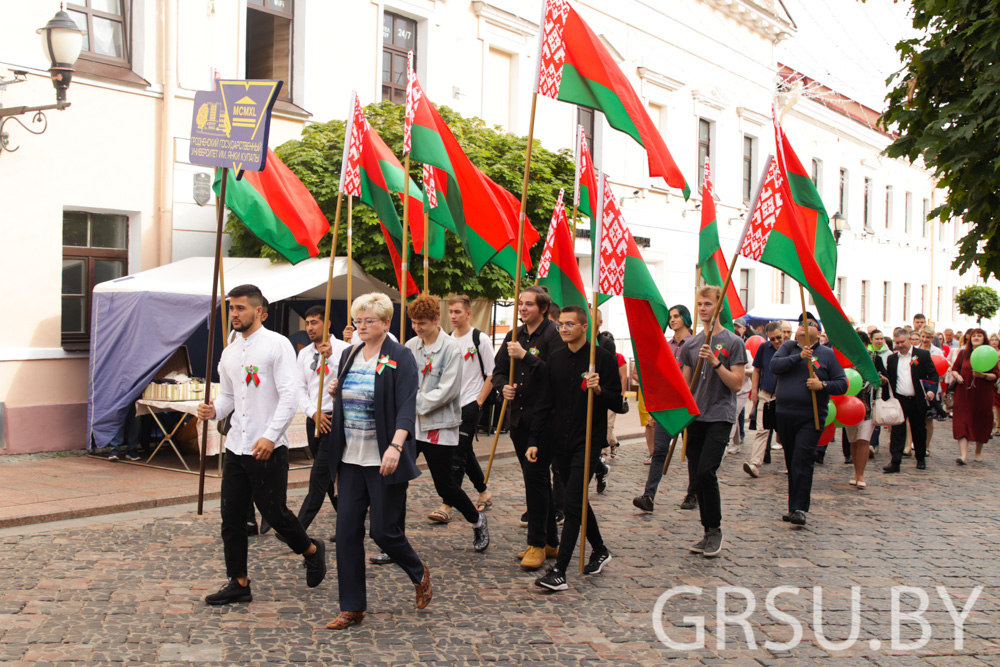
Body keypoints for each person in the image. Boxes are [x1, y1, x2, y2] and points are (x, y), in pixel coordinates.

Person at [196, 284, 327, 606]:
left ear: (260, 312)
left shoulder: (276, 345)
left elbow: (290, 394)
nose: (234, 314)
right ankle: (238, 582)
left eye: (240, 308)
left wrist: (271, 435)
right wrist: (214, 410)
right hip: (237, 446)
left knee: (276, 514)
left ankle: (311, 549)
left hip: (268, 446)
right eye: (231, 308)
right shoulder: (229, 351)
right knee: (232, 518)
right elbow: (228, 396)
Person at [323, 292, 430, 630]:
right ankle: (352, 607)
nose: (362, 326)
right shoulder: (349, 354)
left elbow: (405, 406)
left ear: (386, 323)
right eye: (358, 320)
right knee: (347, 533)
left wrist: (396, 446)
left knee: (384, 532)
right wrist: (335, 391)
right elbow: (342, 400)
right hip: (351, 458)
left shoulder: (400, 356)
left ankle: (418, 571)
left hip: (384, 458)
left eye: (369, 320)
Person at [529, 305, 622, 591]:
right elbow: (545, 402)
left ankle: (559, 571)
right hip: (561, 441)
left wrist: (599, 391)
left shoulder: (602, 359)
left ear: (585, 327)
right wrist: (534, 440)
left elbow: (618, 402)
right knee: (577, 499)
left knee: (571, 502)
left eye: (570, 324)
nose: (564, 329)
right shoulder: (554, 358)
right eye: (561, 325)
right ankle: (601, 550)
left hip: (588, 440)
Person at [405, 295, 490, 552]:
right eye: (413, 323)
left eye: (422, 323)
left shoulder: (452, 348)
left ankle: (476, 520)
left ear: (434, 319)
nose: (417, 328)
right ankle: (393, 539)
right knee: (397, 480)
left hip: (439, 425)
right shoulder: (411, 345)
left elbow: (449, 390)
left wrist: (415, 403)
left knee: (446, 486)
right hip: (412, 424)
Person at [493, 286, 562, 570]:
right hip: (518, 419)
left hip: (543, 421)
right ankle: (551, 541)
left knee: (535, 479)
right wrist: (502, 388)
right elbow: (497, 370)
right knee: (536, 480)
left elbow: (556, 373)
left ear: (543, 308)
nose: (522, 309)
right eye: (520, 304)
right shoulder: (513, 335)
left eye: (529, 304)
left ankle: (536, 543)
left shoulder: (553, 335)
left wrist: (525, 356)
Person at [678, 287, 746, 557]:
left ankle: (715, 529)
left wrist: (717, 362)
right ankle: (706, 531)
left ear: (719, 307)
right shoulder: (692, 344)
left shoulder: (733, 342)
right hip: (696, 417)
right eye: (699, 304)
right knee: (697, 476)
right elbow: (685, 385)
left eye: (708, 304)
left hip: (720, 415)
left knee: (707, 471)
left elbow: (737, 384)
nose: (702, 308)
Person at [770, 313, 847, 526]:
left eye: (810, 323)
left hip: (810, 416)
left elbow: (842, 383)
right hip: (785, 414)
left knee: (801, 459)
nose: (804, 325)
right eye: (801, 323)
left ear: (819, 333)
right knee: (791, 459)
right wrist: (799, 357)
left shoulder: (827, 354)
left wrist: (823, 385)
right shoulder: (788, 348)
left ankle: (799, 508)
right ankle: (793, 505)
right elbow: (774, 367)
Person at [285, 305, 350, 538]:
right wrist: (313, 413)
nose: (310, 327)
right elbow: (299, 389)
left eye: (315, 322)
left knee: (318, 477)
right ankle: (349, 523)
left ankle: (295, 531)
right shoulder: (303, 354)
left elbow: (347, 380)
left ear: (328, 324)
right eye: (307, 323)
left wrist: (331, 358)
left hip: (335, 419)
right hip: (314, 419)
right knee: (329, 475)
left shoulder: (344, 349)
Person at [632, 305, 693, 512]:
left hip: (689, 406)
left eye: (676, 316)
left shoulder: (695, 344)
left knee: (692, 453)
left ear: (685, 318)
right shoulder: (666, 346)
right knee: (659, 451)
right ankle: (649, 496)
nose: (672, 320)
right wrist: (653, 409)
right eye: (670, 317)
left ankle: (693, 493)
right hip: (667, 405)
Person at [446, 294, 494, 513]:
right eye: (450, 311)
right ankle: (483, 490)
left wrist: (479, 401)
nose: (453, 316)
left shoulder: (479, 338)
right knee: (465, 452)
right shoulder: (447, 339)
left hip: (471, 402)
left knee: (456, 454)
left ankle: (447, 503)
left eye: (457, 311)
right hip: (450, 405)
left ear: (468, 313)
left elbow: (492, 374)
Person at [875, 327, 939, 473]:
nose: (900, 345)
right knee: (897, 431)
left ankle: (920, 458)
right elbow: (890, 378)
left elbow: (933, 374)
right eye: (897, 343)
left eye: (902, 342)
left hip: (917, 399)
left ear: (909, 339)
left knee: (918, 430)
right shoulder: (892, 358)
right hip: (900, 399)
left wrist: (931, 390)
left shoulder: (922, 355)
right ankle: (895, 461)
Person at [950, 328, 998, 465]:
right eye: (973, 336)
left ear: (984, 339)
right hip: (963, 392)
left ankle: (978, 451)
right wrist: (957, 375)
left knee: (980, 421)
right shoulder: (963, 353)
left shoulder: (990, 354)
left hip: (982, 393)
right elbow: (954, 369)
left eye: (979, 336)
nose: (976, 338)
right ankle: (963, 455)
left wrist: (983, 375)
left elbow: (995, 375)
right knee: (961, 421)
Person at [744, 321, 784, 479]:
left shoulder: (789, 349)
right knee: (762, 430)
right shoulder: (764, 348)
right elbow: (757, 370)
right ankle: (755, 463)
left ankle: (792, 464)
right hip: (766, 395)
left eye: (778, 337)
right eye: (772, 339)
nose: (776, 341)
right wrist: (754, 391)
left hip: (783, 397)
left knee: (785, 433)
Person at [846, 331, 876, 489]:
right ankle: (855, 472)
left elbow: (883, 376)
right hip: (849, 406)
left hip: (867, 405)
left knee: (864, 440)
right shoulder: (846, 358)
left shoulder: (873, 358)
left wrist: (880, 379)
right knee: (854, 441)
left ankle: (861, 474)